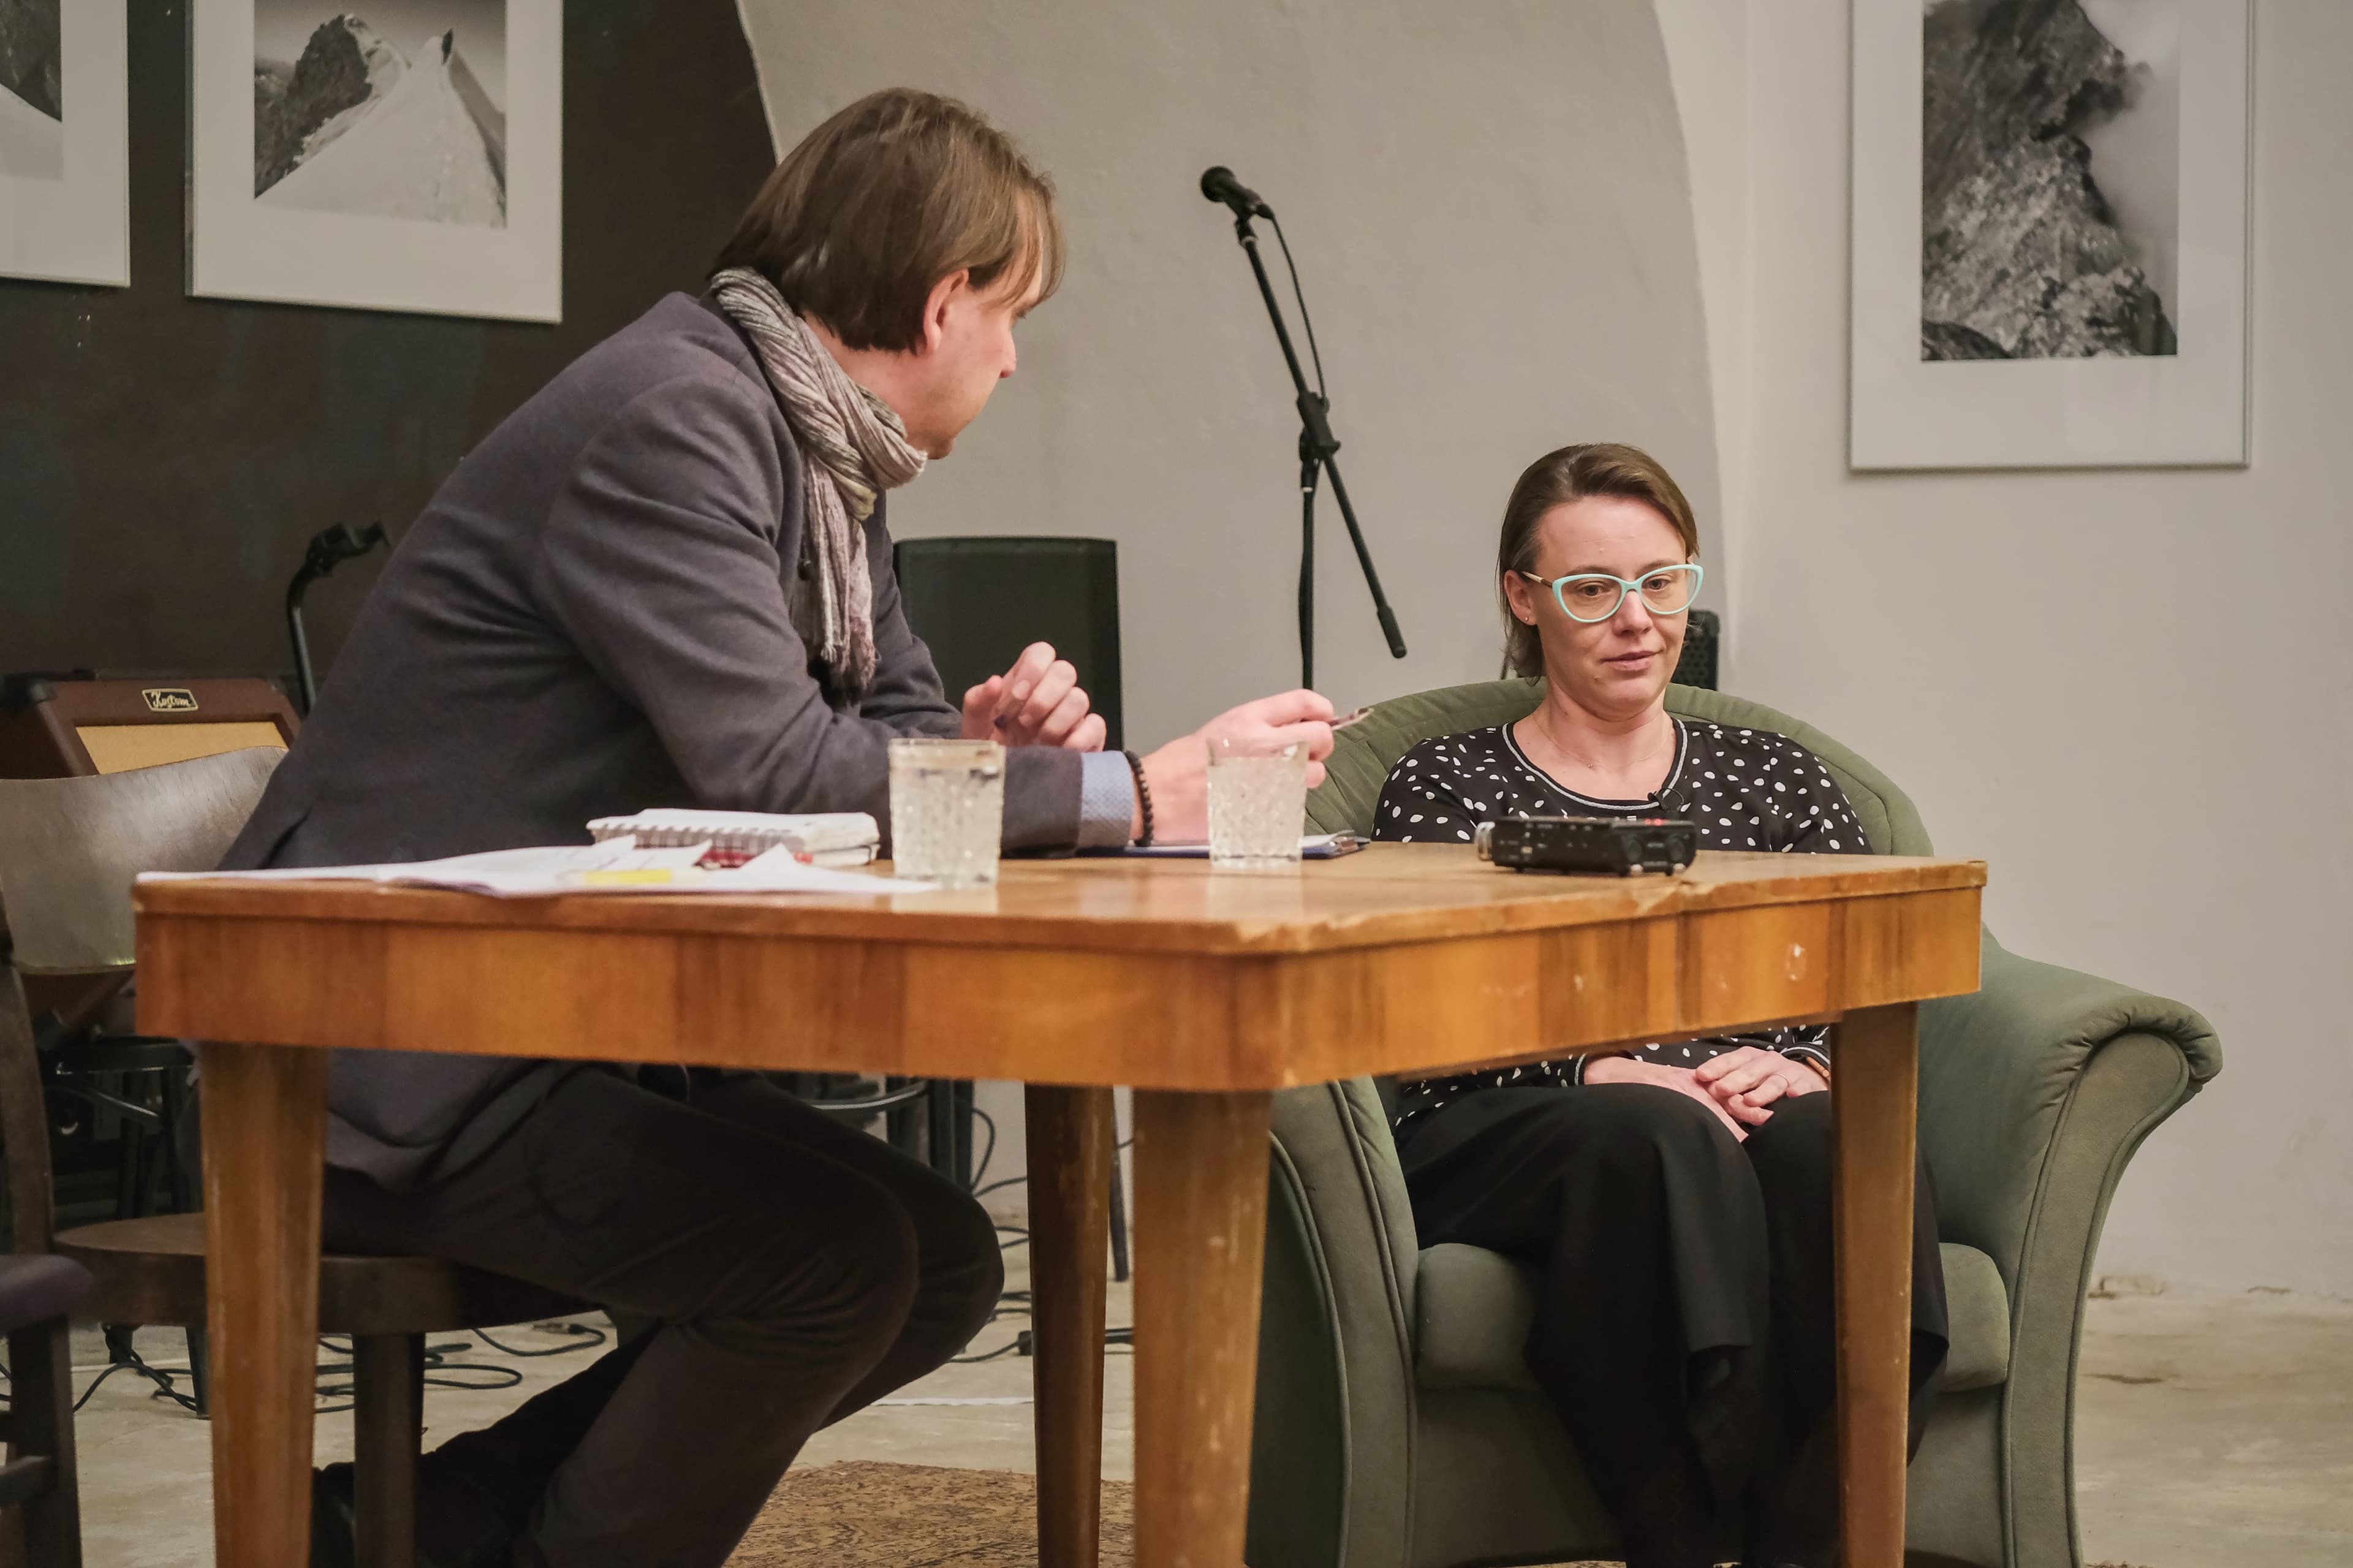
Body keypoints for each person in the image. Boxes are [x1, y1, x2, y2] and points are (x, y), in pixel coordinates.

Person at [220, 89, 1335, 1568]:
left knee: (939, 1260)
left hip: (551, 1025)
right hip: (391, 1045)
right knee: (835, 1262)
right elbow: (783, 768)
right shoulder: (674, 421)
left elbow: (886, 732)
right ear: (942, 303)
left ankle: (403, 1532)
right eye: (1013, 316)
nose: (1013, 355)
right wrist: (1132, 791)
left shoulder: (816, 448)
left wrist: (979, 761)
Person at [1371, 443, 1946, 1568]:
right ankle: (1683, 1530)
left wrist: (1806, 1061)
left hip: (1742, 1097)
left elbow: (1857, 968)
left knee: (1840, 1138)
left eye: (1662, 582)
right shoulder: (1447, 784)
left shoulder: (1776, 776)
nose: (1637, 620)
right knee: (1655, 1131)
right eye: (1593, 589)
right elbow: (1417, 999)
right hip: (1508, 1116)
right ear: (1524, 598)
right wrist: (1593, 1067)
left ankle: (1812, 1543)